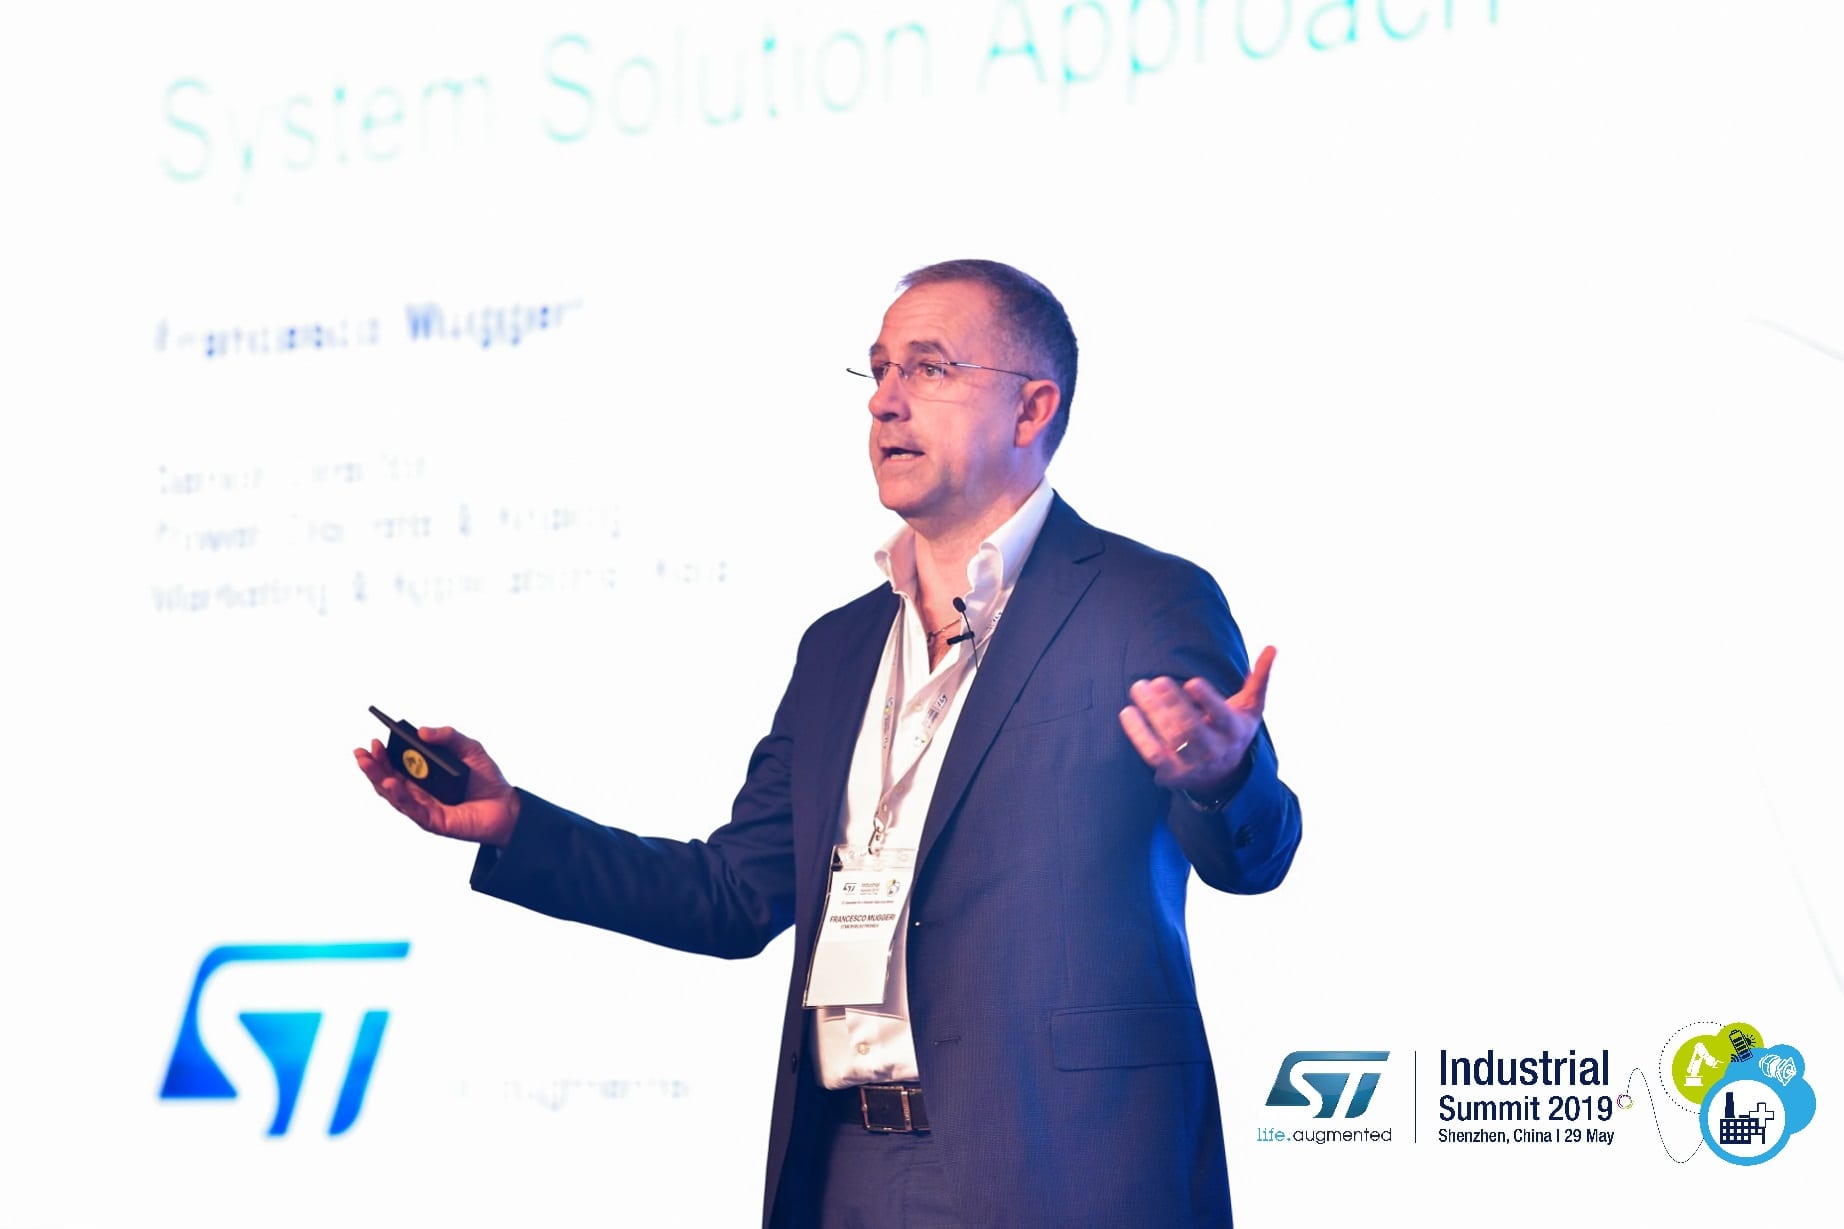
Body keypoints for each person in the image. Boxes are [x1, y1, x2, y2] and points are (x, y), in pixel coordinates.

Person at [356, 259, 1301, 1228]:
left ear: (1032, 409)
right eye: (879, 369)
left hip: (1064, 1163)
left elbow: (1255, 855)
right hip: (847, 1166)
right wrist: (515, 822)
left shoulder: (1139, 600)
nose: (886, 400)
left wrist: (1222, 777)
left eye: (928, 367)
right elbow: (732, 893)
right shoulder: (839, 646)